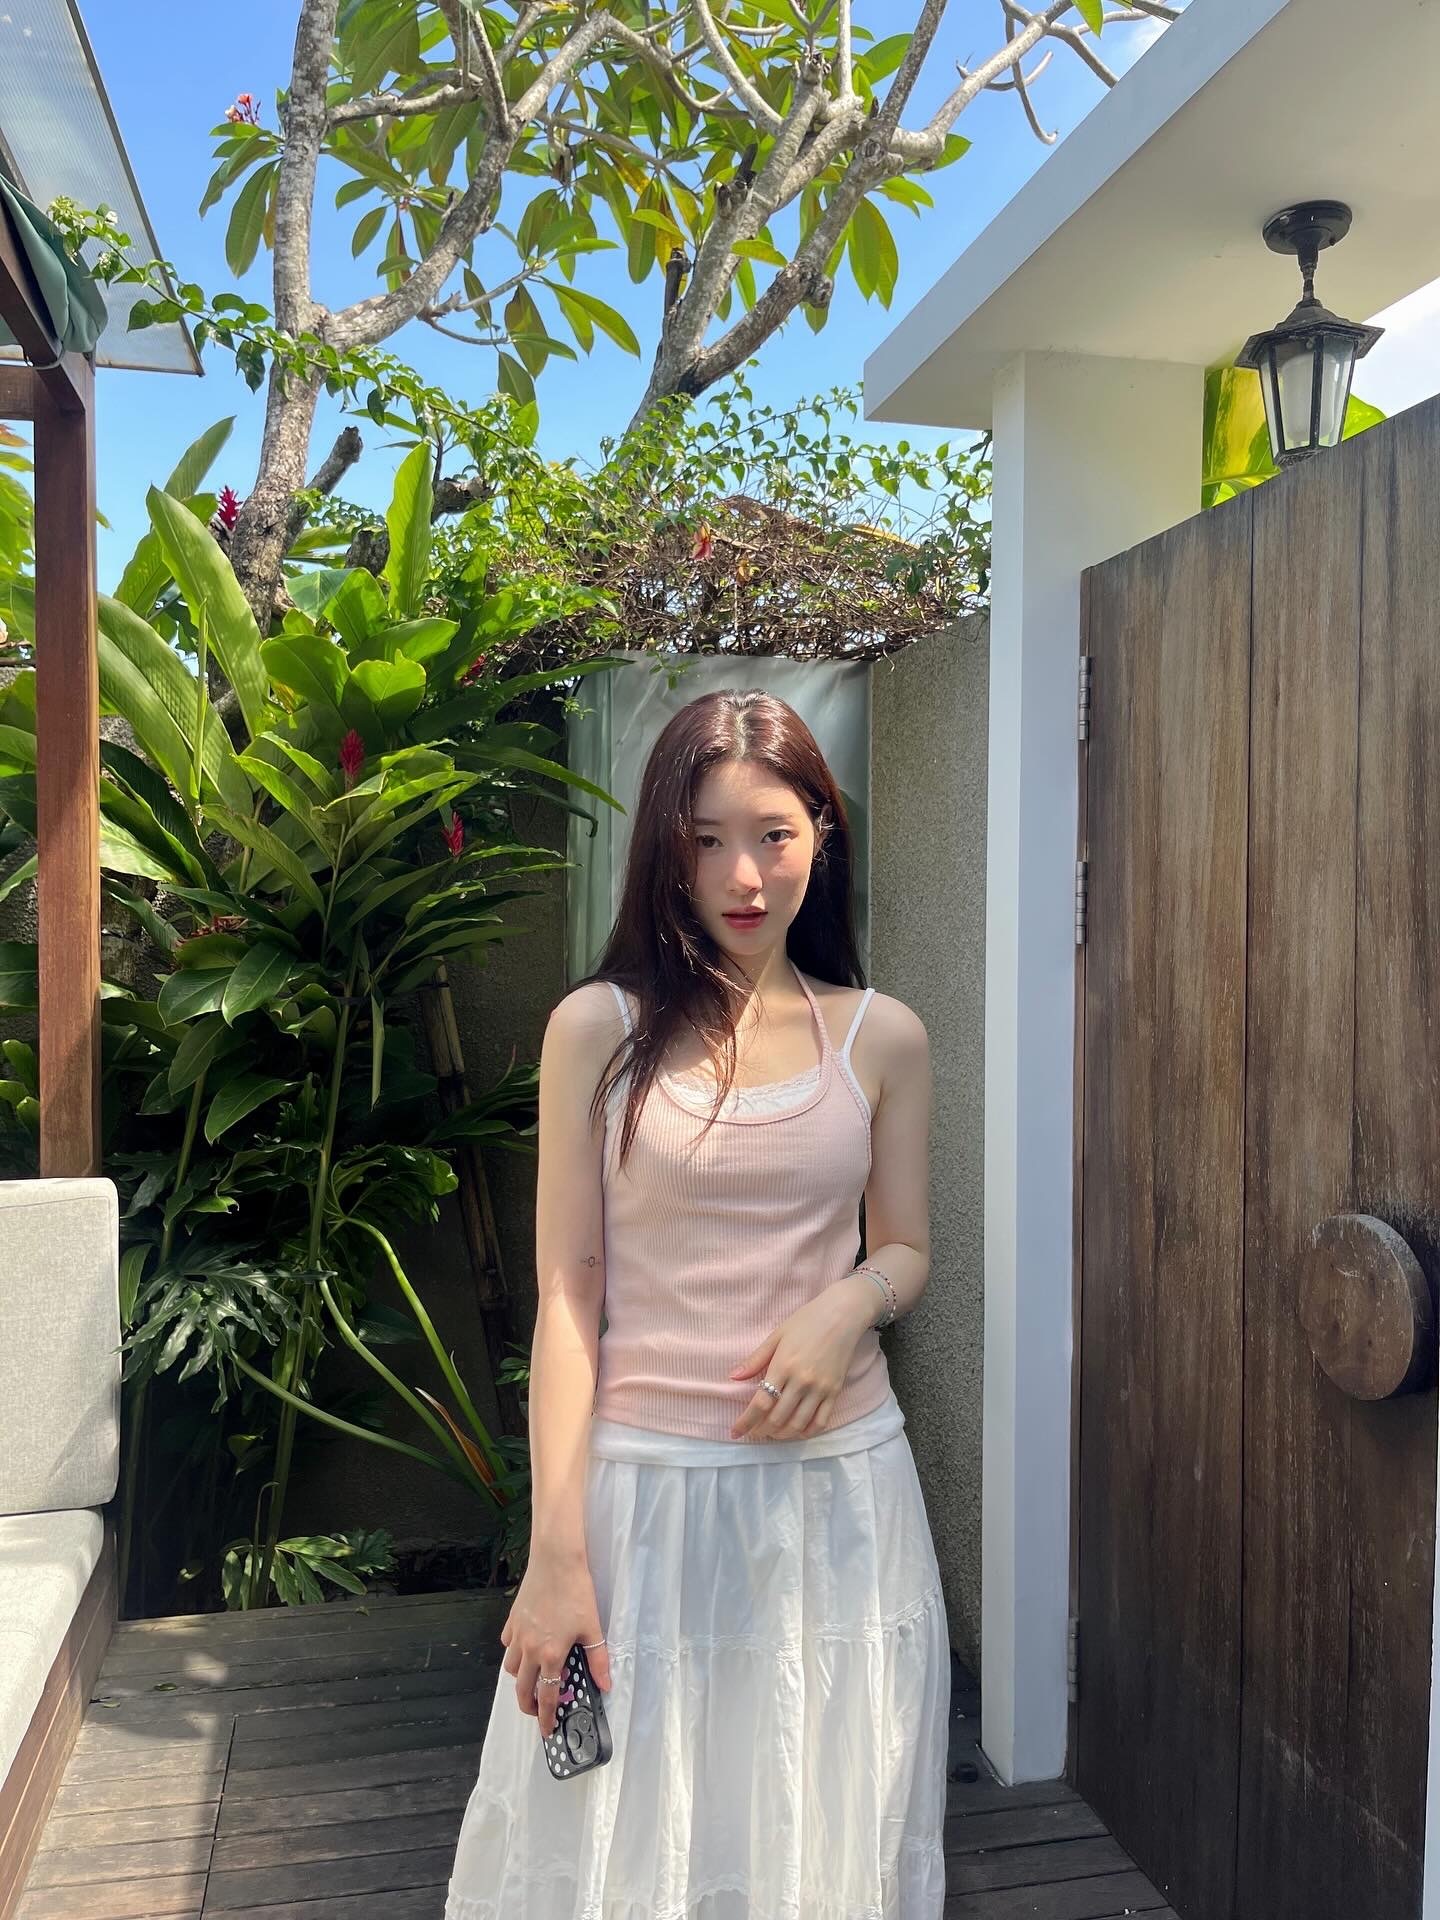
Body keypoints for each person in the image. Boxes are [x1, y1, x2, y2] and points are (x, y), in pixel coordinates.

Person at [444, 688, 950, 1918]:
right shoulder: (596, 1030)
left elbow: (907, 1248)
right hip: (645, 1502)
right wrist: (555, 1553)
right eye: (707, 838)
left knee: (814, 1825)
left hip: (839, 1501)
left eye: (774, 834)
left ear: (822, 833)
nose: (744, 876)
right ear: (665, 850)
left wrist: (850, 1305)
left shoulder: (881, 1038)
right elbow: (569, 1289)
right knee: (621, 1843)